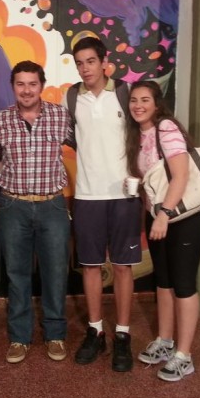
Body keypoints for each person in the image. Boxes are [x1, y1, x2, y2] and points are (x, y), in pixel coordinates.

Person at [125, 80, 200, 382]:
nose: (138, 106)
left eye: (144, 100)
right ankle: (165, 341)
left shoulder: (166, 128)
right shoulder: (137, 134)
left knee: (183, 284)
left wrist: (164, 214)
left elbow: (181, 175)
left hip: (183, 218)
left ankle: (184, 356)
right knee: (162, 281)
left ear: (157, 104)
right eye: (134, 100)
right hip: (158, 217)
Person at [66, 36, 142, 373]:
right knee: (91, 266)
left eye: (90, 61)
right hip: (87, 196)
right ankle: (95, 331)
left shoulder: (126, 93)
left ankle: (122, 334)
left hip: (125, 196)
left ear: (104, 61)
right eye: (79, 63)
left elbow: (143, 135)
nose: (85, 69)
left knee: (124, 267)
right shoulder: (71, 97)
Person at [0, 60, 72, 364]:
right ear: (13, 86)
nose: (26, 90)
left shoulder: (60, 116)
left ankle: (55, 334)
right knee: (17, 274)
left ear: (42, 86)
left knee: (56, 272)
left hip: (52, 205)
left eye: (32, 84)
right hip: (14, 206)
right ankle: (19, 337)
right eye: (20, 84)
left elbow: (90, 147)